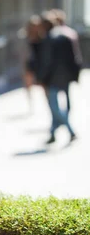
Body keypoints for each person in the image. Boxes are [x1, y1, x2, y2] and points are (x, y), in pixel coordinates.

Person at [36, 12, 77, 144]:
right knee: (59, 106)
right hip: (65, 76)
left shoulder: (48, 39)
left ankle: (70, 130)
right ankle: (53, 133)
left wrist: (41, 78)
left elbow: (47, 62)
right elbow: (74, 58)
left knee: (54, 107)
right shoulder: (65, 35)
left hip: (53, 78)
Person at [51, 9, 83, 111]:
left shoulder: (58, 34)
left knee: (57, 92)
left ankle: (61, 116)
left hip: (61, 67)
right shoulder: (70, 32)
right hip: (69, 65)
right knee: (66, 91)